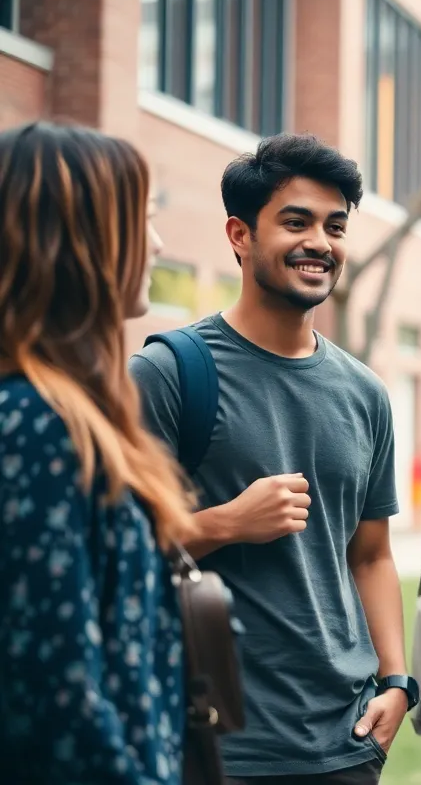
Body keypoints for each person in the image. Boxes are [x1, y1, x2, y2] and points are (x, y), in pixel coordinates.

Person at [130, 134, 410, 784]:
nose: (320, 242)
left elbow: (370, 554)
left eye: (335, 226)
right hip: (220, 738)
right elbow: (117, 547)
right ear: (240, 234)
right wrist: (226, 522)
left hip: (347, 738)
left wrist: (397, 681)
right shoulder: (168, 373)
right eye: (296, 221)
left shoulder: (365, 393)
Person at [0, 122, 196, 782]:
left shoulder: (58, 417)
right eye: (142, 217)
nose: (159, 241)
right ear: (81, 241)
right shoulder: (43, 429)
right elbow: (58, 690)